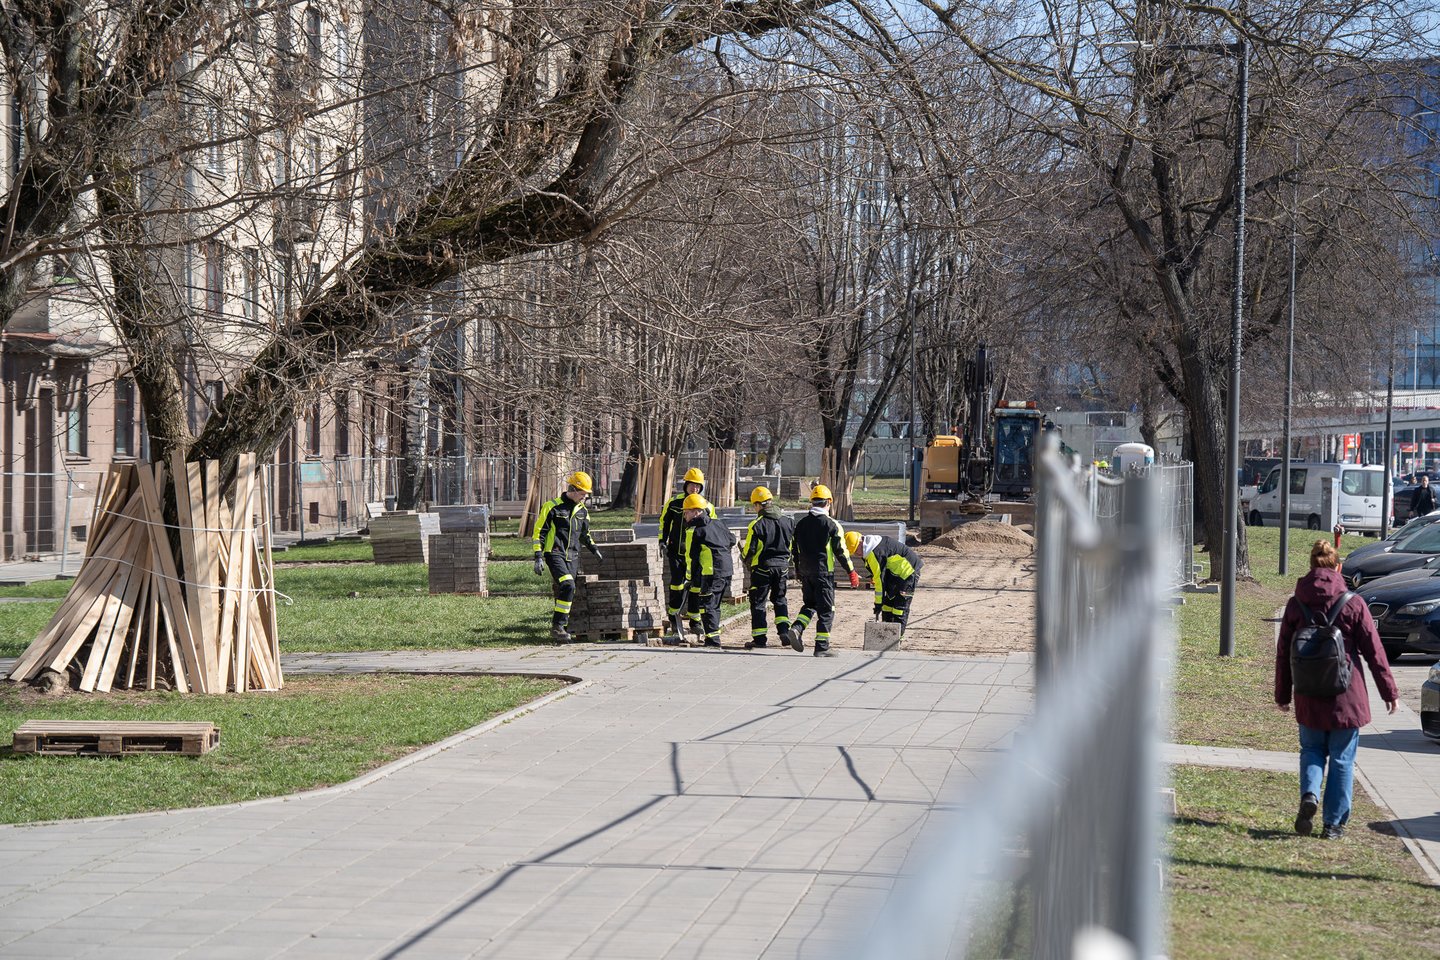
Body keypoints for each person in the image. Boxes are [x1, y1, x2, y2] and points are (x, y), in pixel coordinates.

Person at [1275, 539, 1398, 839]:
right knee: (1342, 758)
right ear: (1338, 568)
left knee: (1312, 749)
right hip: (1347, 695)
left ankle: (1310, 795)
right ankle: (1333, 824)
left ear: (1312, 566)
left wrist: (1282, 694)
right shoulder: (1353, 604)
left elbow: (1283, 653)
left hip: (1308, 693)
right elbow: (1374, 651)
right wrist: (1389, 691)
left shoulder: (1295, 604)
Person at [787, 483, 859, 658]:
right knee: (827, 609)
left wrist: (797, 570)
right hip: (823, 574)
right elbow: (841, 551)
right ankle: (822, 646)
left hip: (805, 573)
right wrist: (851, 572)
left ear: (812, 502)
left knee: (810, 604)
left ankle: (797, 628)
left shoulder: (801, 524)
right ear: (828, 502)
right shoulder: (832, 525)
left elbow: (794, 549)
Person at [532, 471, 603, 642]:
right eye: (583, 492)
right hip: (554, 553)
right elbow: (539, 533)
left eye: (586, 493)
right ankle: (558, 626)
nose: (585, 496)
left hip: (573, 556)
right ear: (573, 489)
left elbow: (585, 534)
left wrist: (594, 548)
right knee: (568, 585)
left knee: (567, 589)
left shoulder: (583, 511)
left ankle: (564, 627)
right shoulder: (552, 507)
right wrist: (538, 556)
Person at [660, 468, 715, 638]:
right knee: (677, 583)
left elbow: (713, 528)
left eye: (698, 486)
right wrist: (662, 540)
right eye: (692, 485)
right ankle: (674, 616)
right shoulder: (674, 503)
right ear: (686, 485)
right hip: (677, 551)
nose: (694, 489)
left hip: (697, 554)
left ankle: (695, 620)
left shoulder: (707, 506)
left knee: (697, 586)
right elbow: (664, 522)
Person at [740, 486, 795, 649]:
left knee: (758, 603)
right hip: (782, 567)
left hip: (762, 569)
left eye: (754, 506)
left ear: (758, 505)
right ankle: (784, 631)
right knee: (780, 599)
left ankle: (759, 639)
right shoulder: (788, 522)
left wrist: (744, 558)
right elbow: (791, 546)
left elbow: (749, 550)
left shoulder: (756, 524)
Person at [683, 493, 734, 648]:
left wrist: (690, 578)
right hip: (727, 570)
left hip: (711, 573)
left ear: (695, 511)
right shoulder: (718, 524)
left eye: (686, 512)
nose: (684, 515)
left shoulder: (696, 531)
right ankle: (714, 635)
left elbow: (692, 557)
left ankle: (712, 640)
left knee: (707, 606)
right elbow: (732, 540)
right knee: (715, 605)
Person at [845, 531, 923, 634]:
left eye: (856, 551)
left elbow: (879, 581)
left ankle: (896, 641)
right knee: (887, 606)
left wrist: (878, 603)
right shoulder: (869, 548)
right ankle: (886, 637)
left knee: (899, 609)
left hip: (908, 573)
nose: (856, 554)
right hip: (894, 574)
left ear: (860, 543)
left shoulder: (874, 552)